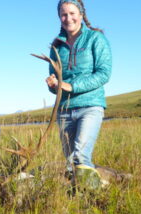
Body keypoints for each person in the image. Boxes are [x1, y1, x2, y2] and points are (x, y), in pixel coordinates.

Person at [45, 0, 112, 185]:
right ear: (59, 17)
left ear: (81, 15)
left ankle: (90, 198)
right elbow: (55, 81)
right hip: (64, 110)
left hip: (90, 106)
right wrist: (52, 85)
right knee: (69, 163)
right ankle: (77, 198)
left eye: (72, 13)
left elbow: (104, 73)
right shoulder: (56, 46)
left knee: (81, 157)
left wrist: (71, 86)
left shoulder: (95, 38)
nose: (68, 18)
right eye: (64, 14)